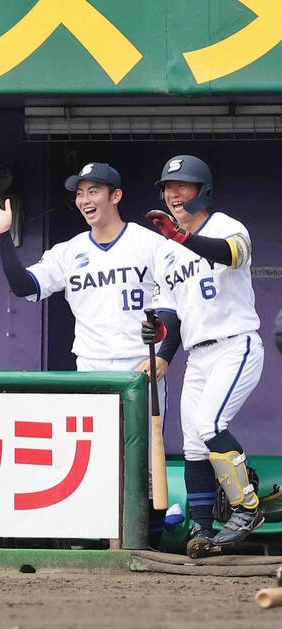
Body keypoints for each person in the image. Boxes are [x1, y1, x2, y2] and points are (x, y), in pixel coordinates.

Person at [0, 162, 171, 544]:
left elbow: (173, 302)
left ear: (115, 196)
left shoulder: (150, 244)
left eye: (94, 191)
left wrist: (163, 342)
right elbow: (23, 286)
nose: (85, 199)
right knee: (97, 459)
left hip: (141, 367)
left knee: (145, 464)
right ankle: (96, 538)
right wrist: (1, 237)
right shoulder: (70, 251)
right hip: (93, 369)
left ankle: (150, 543)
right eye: (80, 193)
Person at [144, 155, 264, 557]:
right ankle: (201, 528)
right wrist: (160, 344)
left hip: (235, 342)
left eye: (183, 186)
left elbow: (235, 254)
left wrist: (185, 239)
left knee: (211, 422)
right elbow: (170, 311)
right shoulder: (165, 251)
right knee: (193, 444)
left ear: (203, 190)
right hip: (197, 354)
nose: (174, 194)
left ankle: (246, 507)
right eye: (168, 187)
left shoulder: (227, 225)